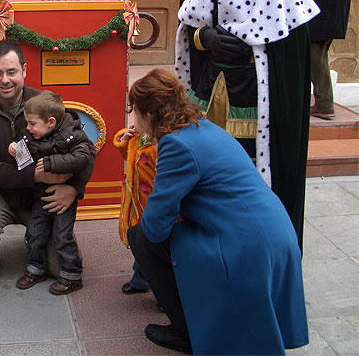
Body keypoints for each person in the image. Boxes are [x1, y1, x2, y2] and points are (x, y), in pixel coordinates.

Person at [126, 68, 308, 355]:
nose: (134, 120)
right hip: (275, 235)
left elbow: (156, 226)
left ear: (149, 115)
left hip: (247, 247)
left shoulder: (175, 144)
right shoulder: (203, 126)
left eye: (134, 112)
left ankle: (186, 331)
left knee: (141, 237)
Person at [175, 0, 320, 250]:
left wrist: (254, 51)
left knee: (246, 172)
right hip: (210, 96)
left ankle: (253, 241)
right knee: (207, 165)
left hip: (257, 109)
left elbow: (288, 61)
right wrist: (203, 38)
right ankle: (206, 233)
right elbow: (189, 31)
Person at [0, 40, 96, 284]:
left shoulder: (45, 104)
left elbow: (84, 150)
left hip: (41, 197)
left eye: (11, 72)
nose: (5, 80)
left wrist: (74, 188)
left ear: (24, 70)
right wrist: (35, 175)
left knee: (60, 267)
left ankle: (38, 243)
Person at [7, 90, 96, 294]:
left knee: (62, 236)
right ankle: (36, 267)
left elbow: (82, 158)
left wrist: (50, 163)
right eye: (27, 123)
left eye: (32, 123)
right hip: (41, 196)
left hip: (63, 198)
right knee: (34, 232)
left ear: (51, 122)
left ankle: (72, 275)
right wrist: (15, 148)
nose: (27, 128)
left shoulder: (72, 136)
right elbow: (24, 160)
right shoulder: (31, 134)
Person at [113, 125, 157, 295]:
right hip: (136, 203)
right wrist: (125, 141)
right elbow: (129, 158)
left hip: (153, 204)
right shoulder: (138, 137)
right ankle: (140, 280)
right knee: (140, 243)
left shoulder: (162, 144)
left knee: (155, 247)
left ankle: (164, 294)